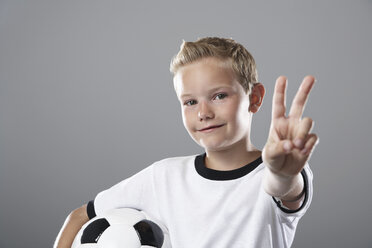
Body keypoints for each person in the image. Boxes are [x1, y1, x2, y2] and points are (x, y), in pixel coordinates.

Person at [54, 37, 319, 248]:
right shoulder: (163, 177)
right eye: (190, 102)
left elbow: (284, 189)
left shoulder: (278, 173)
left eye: (219, 96)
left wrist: (281, 173)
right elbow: (79, 216)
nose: (203, 112)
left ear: (255, 98)